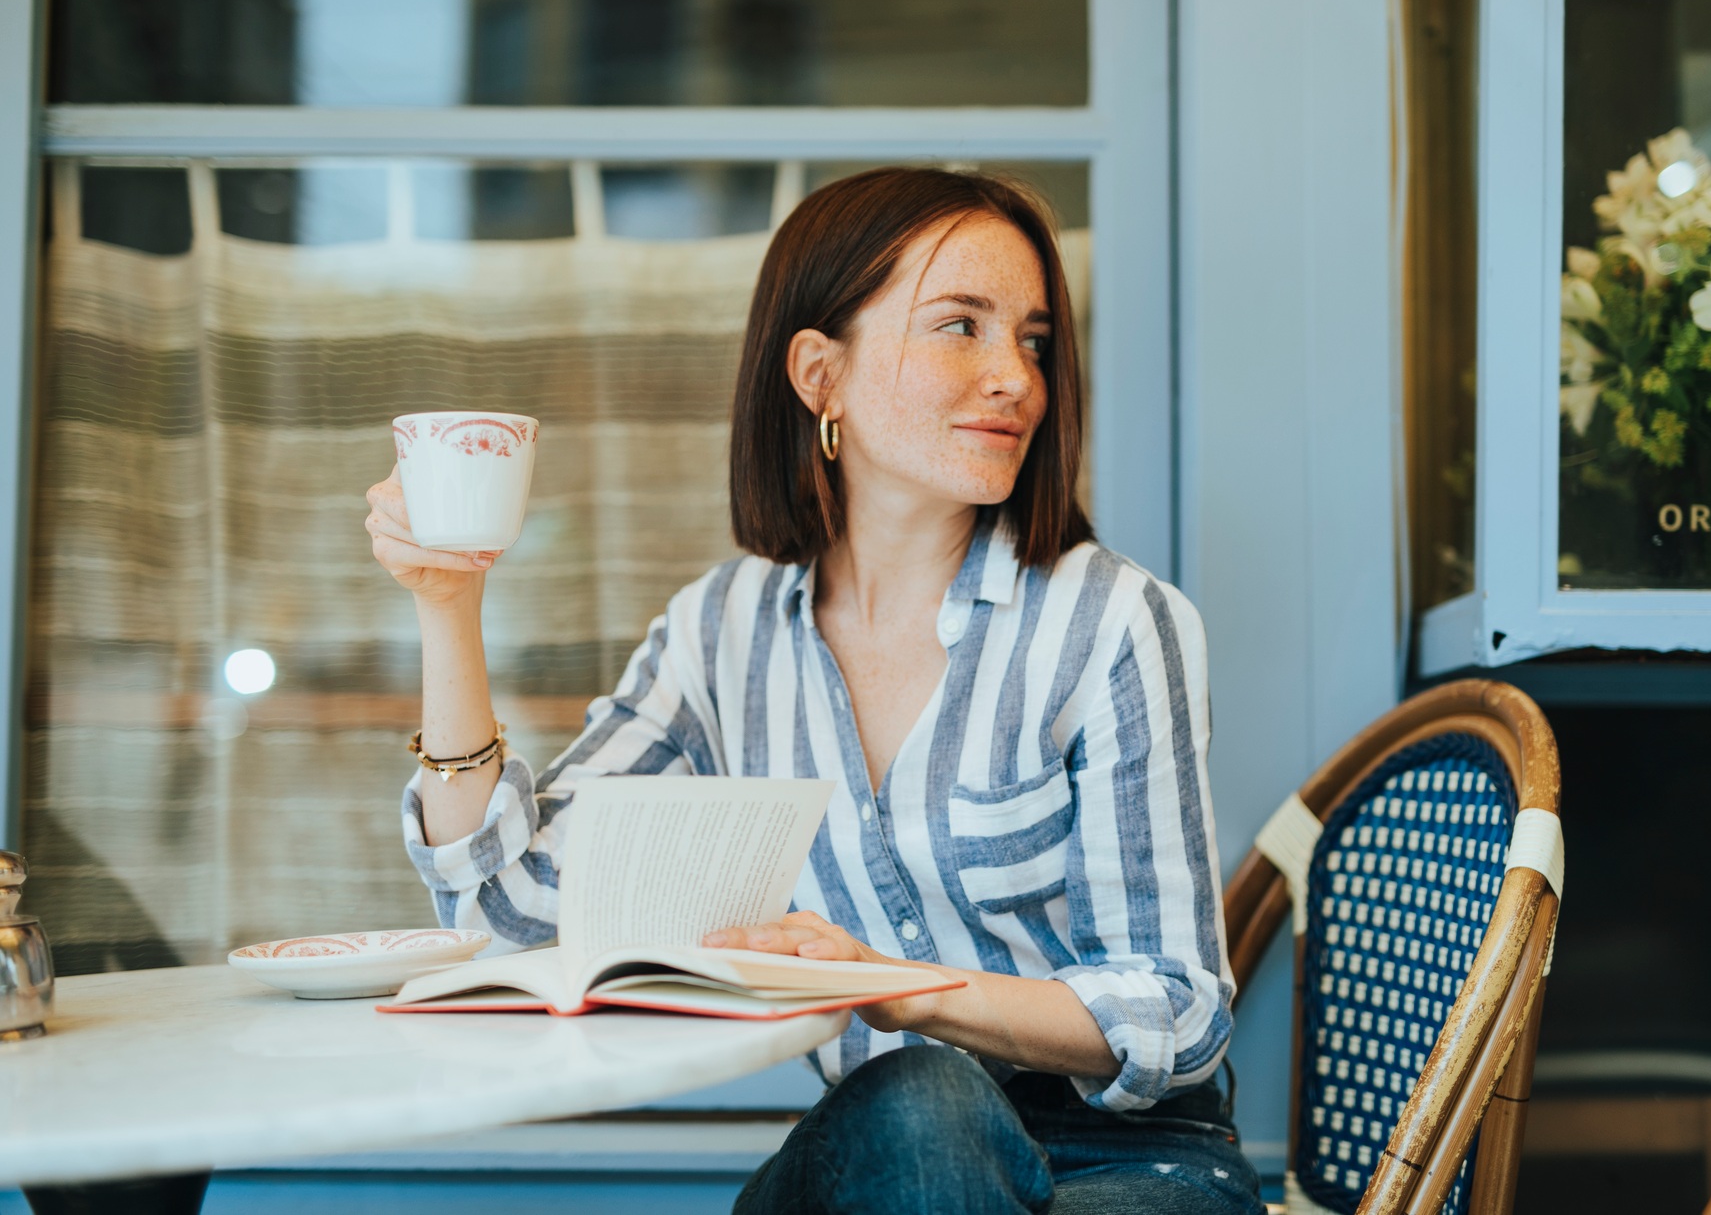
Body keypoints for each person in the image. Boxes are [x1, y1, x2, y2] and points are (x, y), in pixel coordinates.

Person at [364, 167, 1260, 1214]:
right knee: (917, 1107)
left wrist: (887, 986)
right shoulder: (721, 630)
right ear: (816, 374)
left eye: (1031, 340)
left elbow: (1175, 1003)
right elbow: (507, 901)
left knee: (916, 1086)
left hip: (1130, 1166)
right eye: (958, 326)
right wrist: (446, 604)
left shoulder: (1108, 622)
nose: (1014, 377)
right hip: (898, 1158)